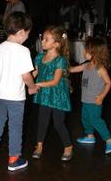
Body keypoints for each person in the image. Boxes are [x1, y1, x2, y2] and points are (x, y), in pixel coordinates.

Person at [0, 12, 37, 171]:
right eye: (27, 34)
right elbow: (26, 76)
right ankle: (14, 159)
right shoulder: (23, 51)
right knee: (15, 126)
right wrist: (32, 86)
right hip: (15, 97)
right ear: (21, 32)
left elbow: (2, 69)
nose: (27, 38)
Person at [32, 25, 73, 161]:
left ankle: (68, 147)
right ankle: (39, 146)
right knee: (42, 120)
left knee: (58, 123)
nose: (42, 41)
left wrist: (36, 84)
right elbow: (35, 73)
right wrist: (25, 77)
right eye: (42, 38)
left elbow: (55, 81)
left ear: (56, 44)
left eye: (46, 39)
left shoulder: (60, 60)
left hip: (57, 96)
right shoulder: (39, 57)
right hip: (44, 95)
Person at [69, 37, 111, 154]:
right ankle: (90, 136)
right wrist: (62, 64)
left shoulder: (100, 69)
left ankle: (109, 140)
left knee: (95, 120)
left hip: (95, 101)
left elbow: (108, 83)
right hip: (85, 99)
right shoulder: (86, 65)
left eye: (87, 51)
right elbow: (72, 70)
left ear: (95, 53)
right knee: (85, 118)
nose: (84, 52)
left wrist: (101, 96)